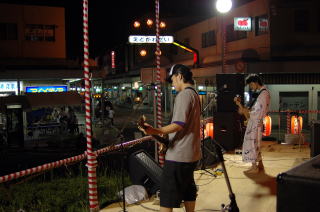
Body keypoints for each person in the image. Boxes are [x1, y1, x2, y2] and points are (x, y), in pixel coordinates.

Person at [138, 64, 201, 212]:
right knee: (187, 188)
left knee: (167, 196)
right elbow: (185, 128)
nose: (172, 83)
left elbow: (178, 124)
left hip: (178, 156)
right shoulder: (194, 94)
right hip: (191, 154)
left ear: (179, 76)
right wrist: (165, 141)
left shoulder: (184, 95)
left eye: (172, 79)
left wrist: (156, 130)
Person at [234, 74, 270, 174]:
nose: (251, 88)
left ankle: (254, 167)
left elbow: (251, 115)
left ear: (254, 83)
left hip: (255, 124)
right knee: (256, 144)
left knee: (252, 144)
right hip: (257, 123)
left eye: (250, 85)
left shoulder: (262, 95)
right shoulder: (264, 93)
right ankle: (260, 165)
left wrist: (239, 105)